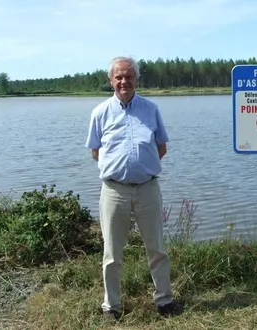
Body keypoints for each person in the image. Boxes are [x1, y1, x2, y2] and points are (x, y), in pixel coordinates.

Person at [85, 56, 183, 320]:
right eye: (119, 77)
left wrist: (141, 167)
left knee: (157, 249)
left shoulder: (151, 110)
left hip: (148, 189)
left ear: (136, 79)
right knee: (112, 253)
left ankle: (164, 301)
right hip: (114, 191)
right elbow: (96, 152)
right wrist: (121, 170)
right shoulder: (100, 112)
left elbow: (161, 147)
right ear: (111, 81)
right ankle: (112, 307)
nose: (123, 81)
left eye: (128, 76)